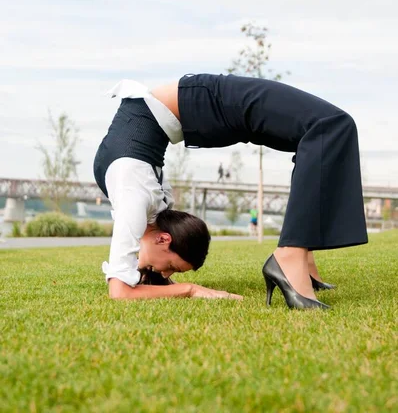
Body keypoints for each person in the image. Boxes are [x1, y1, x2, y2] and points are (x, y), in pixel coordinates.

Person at [94, 73, 367, 309]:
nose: (164, 274)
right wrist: (187, 288)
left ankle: (293, 255)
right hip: (205, 107)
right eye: (172, 270)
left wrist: (189, 288)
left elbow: (120, 292)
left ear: (164, 239)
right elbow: (123, 288)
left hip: (209, 101)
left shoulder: (136, 196)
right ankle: (297, 258)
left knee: (330, 125)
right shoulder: (150, 204)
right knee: (326, 130)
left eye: (172, 269)